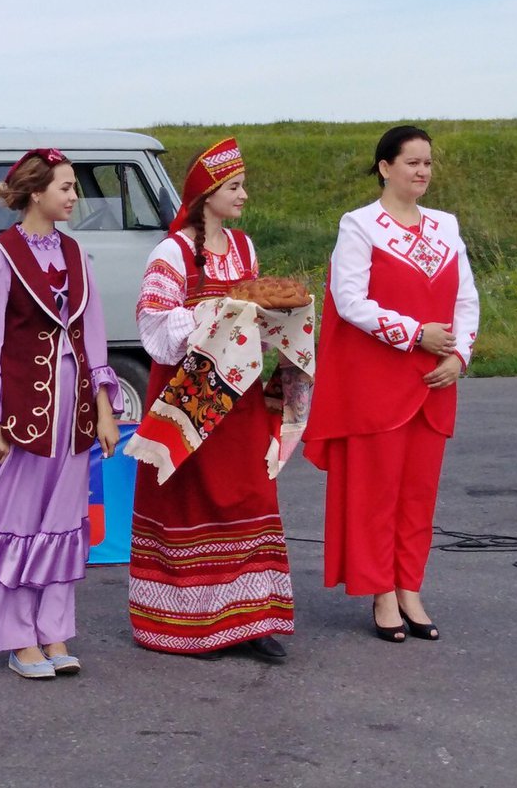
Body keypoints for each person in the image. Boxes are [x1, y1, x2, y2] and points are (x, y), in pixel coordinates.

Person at [0, 148, 122, 679]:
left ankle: (55, 630)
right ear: (36, 192)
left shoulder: (76, 253)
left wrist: (105, 410)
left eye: (72, 187)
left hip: (74, 412)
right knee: (18, 521)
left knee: (65, 519)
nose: (73, 196)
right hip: (22, 411)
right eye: (65, 187)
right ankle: (19, 637)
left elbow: (94, 338)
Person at [302, 126, 479, 643]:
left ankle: (410, 588)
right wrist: (415, 333)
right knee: (377, 492)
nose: (422, 171)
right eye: (412, 162)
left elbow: (466, 300)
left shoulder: (446, 226)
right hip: (381, 382)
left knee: (419, 494)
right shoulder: (360, 226)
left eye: (428, 163)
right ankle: (381, 592)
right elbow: (350, 299)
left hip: (437, 379)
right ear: (385, 167)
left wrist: (460, 356)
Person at [127, 138, 294, 661]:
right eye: (234, 187)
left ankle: (251, 620)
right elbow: (153, 324)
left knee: (249, 494)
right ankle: (188, 623)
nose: (244, 195)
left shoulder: (244, 248)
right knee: (190, 499)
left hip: (238, 396)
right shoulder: (171, 252)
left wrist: (275, 317)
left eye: (242, 185)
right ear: (206, 196)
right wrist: (217, 311)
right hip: (189, 397)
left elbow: (254, 319)